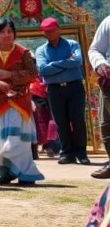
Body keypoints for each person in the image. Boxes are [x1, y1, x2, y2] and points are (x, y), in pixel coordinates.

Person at [0, 18, 43, 185]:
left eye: (9, 31)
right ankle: (7, 172)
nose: (7, 35)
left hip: (19, 101)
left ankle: (25, 173)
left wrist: (8, 75)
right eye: (2, 32)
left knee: (17, 140)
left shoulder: (24, 52)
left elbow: (32, 74)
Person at [37, 17, 90, 165]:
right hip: (54, 90)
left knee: (78, 120)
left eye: (52, 30)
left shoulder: (72, 44)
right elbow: (42, 70)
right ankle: (67, 153)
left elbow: (78, 61)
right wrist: (65, 63)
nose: (50, 34)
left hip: (74, 87)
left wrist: (53, 65)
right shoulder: (41, 50)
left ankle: (81, 152)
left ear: (58, 29)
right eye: (46, 32)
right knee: (61, 122)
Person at [89, 13, 110, 178]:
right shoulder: (108, 21)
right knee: (106, 123)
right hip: (109, 79)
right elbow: (95, 49)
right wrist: (100, 63)